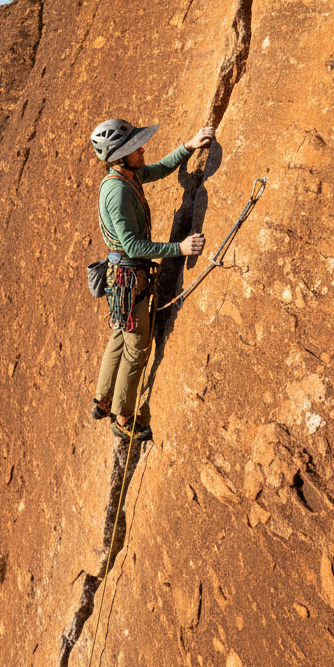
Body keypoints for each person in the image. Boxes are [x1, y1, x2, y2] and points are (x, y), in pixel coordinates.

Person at [89, 118, 214, 442]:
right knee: (137, 348)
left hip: (124, 279)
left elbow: (157, 170)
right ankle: (123, 417)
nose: (141, 149)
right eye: (133, 147)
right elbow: (133, 245)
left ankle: (102, 400)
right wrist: (179, 247)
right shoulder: (117, 192)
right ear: (119, 156)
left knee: (120, 336)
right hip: (130, 281)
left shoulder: (124, 176)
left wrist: (188, 146)